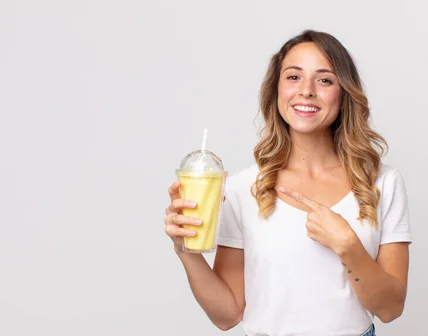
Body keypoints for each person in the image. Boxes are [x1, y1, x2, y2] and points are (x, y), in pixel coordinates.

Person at [164, 30, 412, 336]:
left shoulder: (382, 183)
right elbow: (227, 316)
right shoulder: (243, 188)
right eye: (293, 77)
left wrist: (348, 246)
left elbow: (390, 309)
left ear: (344, 93)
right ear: (277, 90)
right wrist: (186, 251)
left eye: (324, 80)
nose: (306, 91)